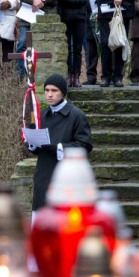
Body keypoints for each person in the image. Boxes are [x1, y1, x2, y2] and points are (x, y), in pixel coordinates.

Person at [29, 74, 92, 212]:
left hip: (67, 179)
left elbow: (85, 145)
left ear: (62, 92)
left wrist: (58, 148)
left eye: (54, 90)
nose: (49, 95)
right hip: (43, 175)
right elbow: (35, 149)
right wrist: (31, 139)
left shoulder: (76, 115)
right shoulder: (41, 115)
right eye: (47, 90)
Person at [58, 0, 90, 88]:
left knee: (77, 49)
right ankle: (68, 75)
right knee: (66, 49)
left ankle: (76, 76)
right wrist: (75, 0)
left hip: (79, 18)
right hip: (64, 18)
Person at [82, 0, 101, 85]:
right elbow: (84, 1)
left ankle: (108, 76)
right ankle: (91, 76)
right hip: (90, 22)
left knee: (107, 50)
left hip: (106, 21)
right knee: (91, 51)